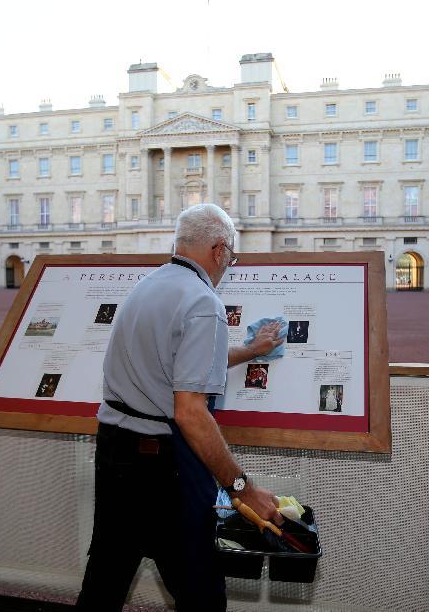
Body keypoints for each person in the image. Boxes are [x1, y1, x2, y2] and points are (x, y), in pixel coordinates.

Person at [76, 204, 284, 611]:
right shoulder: (204, 302)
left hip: (115, 450)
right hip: (162, 466)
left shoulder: (147, 286)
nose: (229, 266)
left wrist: (251, 350)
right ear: (220, 250)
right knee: (201, 594)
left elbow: (180, 364)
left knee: (104, 583)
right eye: (232, 258)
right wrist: (243, 489)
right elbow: (190, 411)